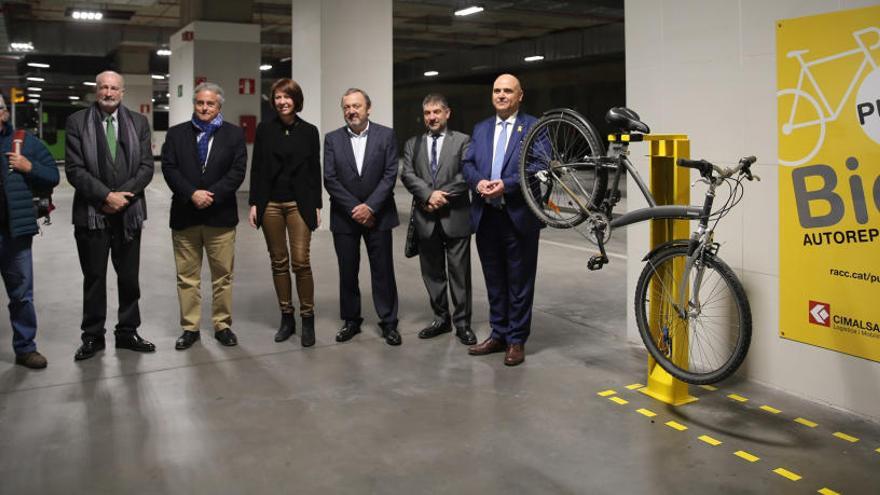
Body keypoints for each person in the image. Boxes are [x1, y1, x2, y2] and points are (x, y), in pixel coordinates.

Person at [65, 70, 156, 361]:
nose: (108, 92)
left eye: (114, 88)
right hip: (92, 213)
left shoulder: (139, 122)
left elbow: (146, 167)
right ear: (96, 90)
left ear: (122, 92)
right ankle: (93, 336)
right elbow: (74, 169)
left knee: (129, 277)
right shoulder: (77, 122)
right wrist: (105, 196)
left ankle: (127, 332)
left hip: (128, 214)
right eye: (103, 87)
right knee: (94, 278)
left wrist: (122, 198)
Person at [461, 74, 542, 366]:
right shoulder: (481, 129)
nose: (501, 95)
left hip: (518, 216)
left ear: (520, 95)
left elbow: (538, 166)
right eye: (497, 90)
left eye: (508, 91)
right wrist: (479, 182)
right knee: (494, 280)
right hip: (486, 216)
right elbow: (467, 163)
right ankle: (499, 333)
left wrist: (505, 184)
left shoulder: (533, 127)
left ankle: (516, 340)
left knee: (519, 282)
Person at [161, 82, 247, 350]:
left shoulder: (234, 135)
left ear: (219, 105)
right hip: (185, 216)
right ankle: (190, 328)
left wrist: (210, 194)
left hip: (220, 217)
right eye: (200, 103)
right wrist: (191, 194)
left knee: (223, 276)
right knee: (187, 277)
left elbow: (237, 171)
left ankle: (222, 325)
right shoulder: (176, 134)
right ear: (194, 104)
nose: (204, 108)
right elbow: (170, 168)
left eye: (210, 103)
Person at [323, 88, 401, 346]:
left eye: (356, 106)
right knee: (348, 271)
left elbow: (390, 174)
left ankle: (389, 322)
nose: (351, 111)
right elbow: (330, 179)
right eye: (347, 107)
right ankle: (351, 320)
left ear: (368, 108)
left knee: (383, 271)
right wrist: (356, 208)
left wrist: (370, 207)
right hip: (345, 217)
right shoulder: (332, 139)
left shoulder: (386, 135)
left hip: (379, 216)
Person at [248, 78, 321, 347]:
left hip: (299, 204)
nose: (282, 101)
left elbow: (315, 169)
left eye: (286, 97)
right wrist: (255, 202)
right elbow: (257, 168)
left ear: (296, 100)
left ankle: (308, 317)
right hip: (271, 205)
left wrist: (316, 204)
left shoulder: (309, 131)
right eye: (277, 97)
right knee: (278, 260)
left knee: (301, 261)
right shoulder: (265, 130)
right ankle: (287, 317)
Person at [400, 93, 476, 346]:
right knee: (432, 274)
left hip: (456, 217)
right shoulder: (413, 144)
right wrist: (427, 195)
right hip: (426, 218)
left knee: (459, 273)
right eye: (427, 113)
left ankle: (463, 323)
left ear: (447, 113)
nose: (431, 117)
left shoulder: (463, 141)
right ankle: (441, 319)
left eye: (436, 112)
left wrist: (441, 196)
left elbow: (468, 174)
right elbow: (408, 174)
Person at [0, 93, 59, 369]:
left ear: (4, 113)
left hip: (15, 234)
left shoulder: (26, 143)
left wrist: (28, 166)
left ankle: (25, 348)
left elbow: (53, 176)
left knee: (21, 294)